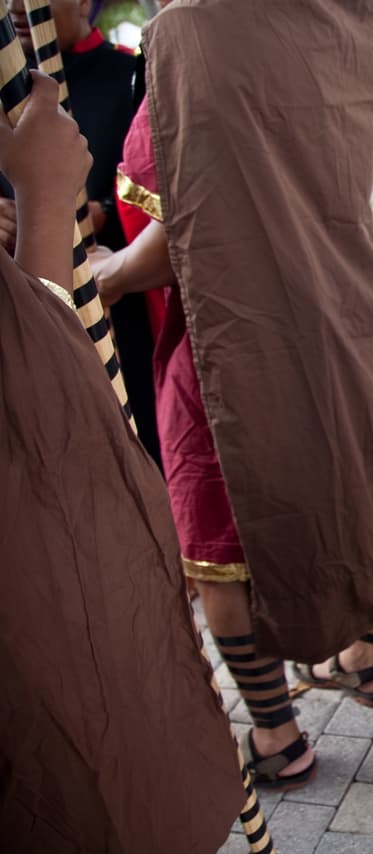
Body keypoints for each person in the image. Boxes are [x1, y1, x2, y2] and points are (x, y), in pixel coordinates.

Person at [92, 0, 373, 789]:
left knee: (217, 550)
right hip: (342, 311)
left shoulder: (197, 28)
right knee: (349, 481)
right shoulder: (349, 15)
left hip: (236, 338)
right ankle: (363, 657)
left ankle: (276, 732)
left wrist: (107, 273)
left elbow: (190, 224)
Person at [0, 68, 244, 851]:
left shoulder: (182, 64)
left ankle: (280, 723)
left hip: (150, 342)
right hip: (88, 380)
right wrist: (47, 206)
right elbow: (31, 397)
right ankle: (275, 727)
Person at [4, 0, 163, 468]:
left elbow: (157, 199)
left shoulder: (129, 74)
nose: (17, 5)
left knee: (137, 454)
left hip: (114, 304)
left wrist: (91, 216)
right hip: (23, 313)